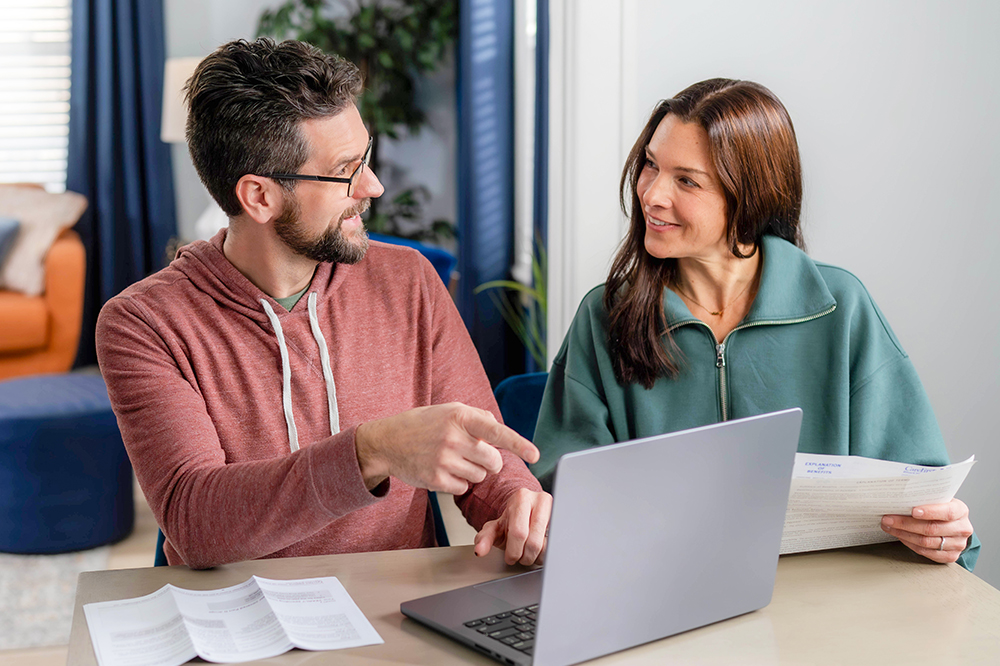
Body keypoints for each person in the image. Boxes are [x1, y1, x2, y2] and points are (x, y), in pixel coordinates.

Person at [96, 38, 551, 569]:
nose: (374, 186)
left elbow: (484, 455)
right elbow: (195, 523)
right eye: (346, 171)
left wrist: (515, 499)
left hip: (396, 611)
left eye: (367, 158)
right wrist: (371, 449)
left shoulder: (409, 281)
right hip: (241, 621)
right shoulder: (144, 323)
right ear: (259, 197)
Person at [530, 78, 978, 570]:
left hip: (827, 616)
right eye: (651, 166)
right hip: (660, 604)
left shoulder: (841, 308)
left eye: (687, 180)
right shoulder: (604, 317)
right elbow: (557, 494)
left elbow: (923, 492)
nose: (652, 194)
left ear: (750, 197)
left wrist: (941, 532)